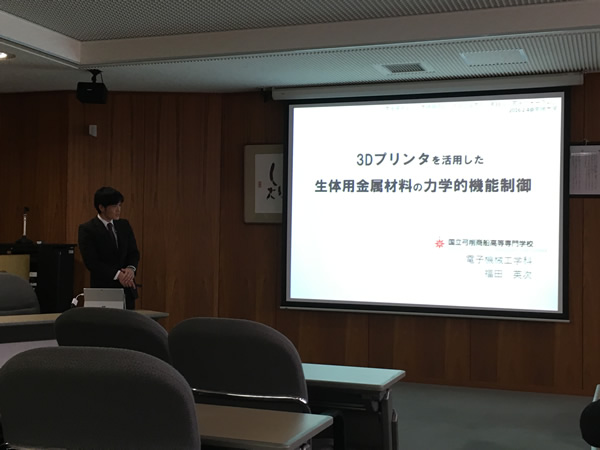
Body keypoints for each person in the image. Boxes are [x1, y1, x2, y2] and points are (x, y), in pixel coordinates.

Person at [78, 187, 140, 310]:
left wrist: (130, 269)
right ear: (101, 207)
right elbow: (92, 262)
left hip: (127, 290)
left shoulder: (124, 225)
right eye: (114, 206)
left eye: (120, 205)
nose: (118, 210)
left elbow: (133, 252)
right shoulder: (88, 229)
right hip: (103, 291)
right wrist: (118, 275)